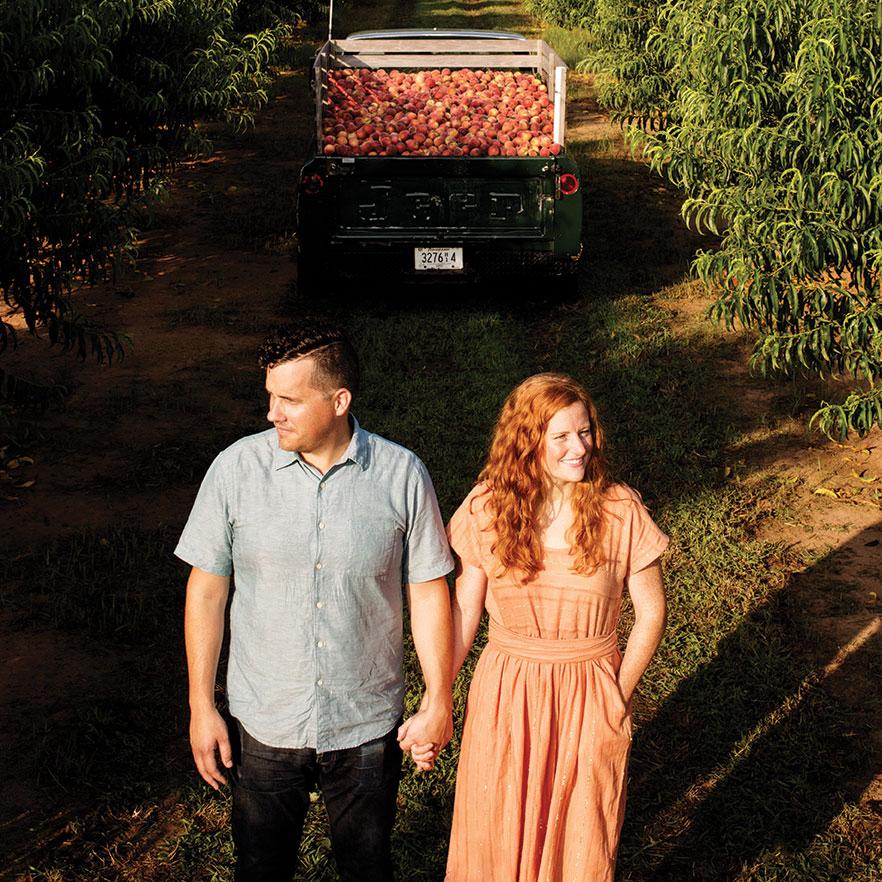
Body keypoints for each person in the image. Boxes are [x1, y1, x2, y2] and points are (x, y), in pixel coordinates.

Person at [175, 320, 454, 882]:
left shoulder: (402, 475)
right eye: (270, 397)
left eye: (289, 400)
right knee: (260, 867)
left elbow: (427, 591)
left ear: (338, 400)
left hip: (365, 723)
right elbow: (207, 590)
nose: (272, 413)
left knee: (367, 867)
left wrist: (439, 698)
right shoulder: (236, 470)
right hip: (265, 720)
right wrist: (201, 706)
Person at [429, 372, 668, 882]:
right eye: (559, 436)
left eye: (584, 432)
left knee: (581, 837)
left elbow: (651, 613)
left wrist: (617, 697)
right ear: (526, 442)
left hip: (590, 693)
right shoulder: (486, 509)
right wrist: (439, 697)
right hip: (506, 693)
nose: (578, 448)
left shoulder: (621, 510)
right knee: (495, 828)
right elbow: (465, 611)